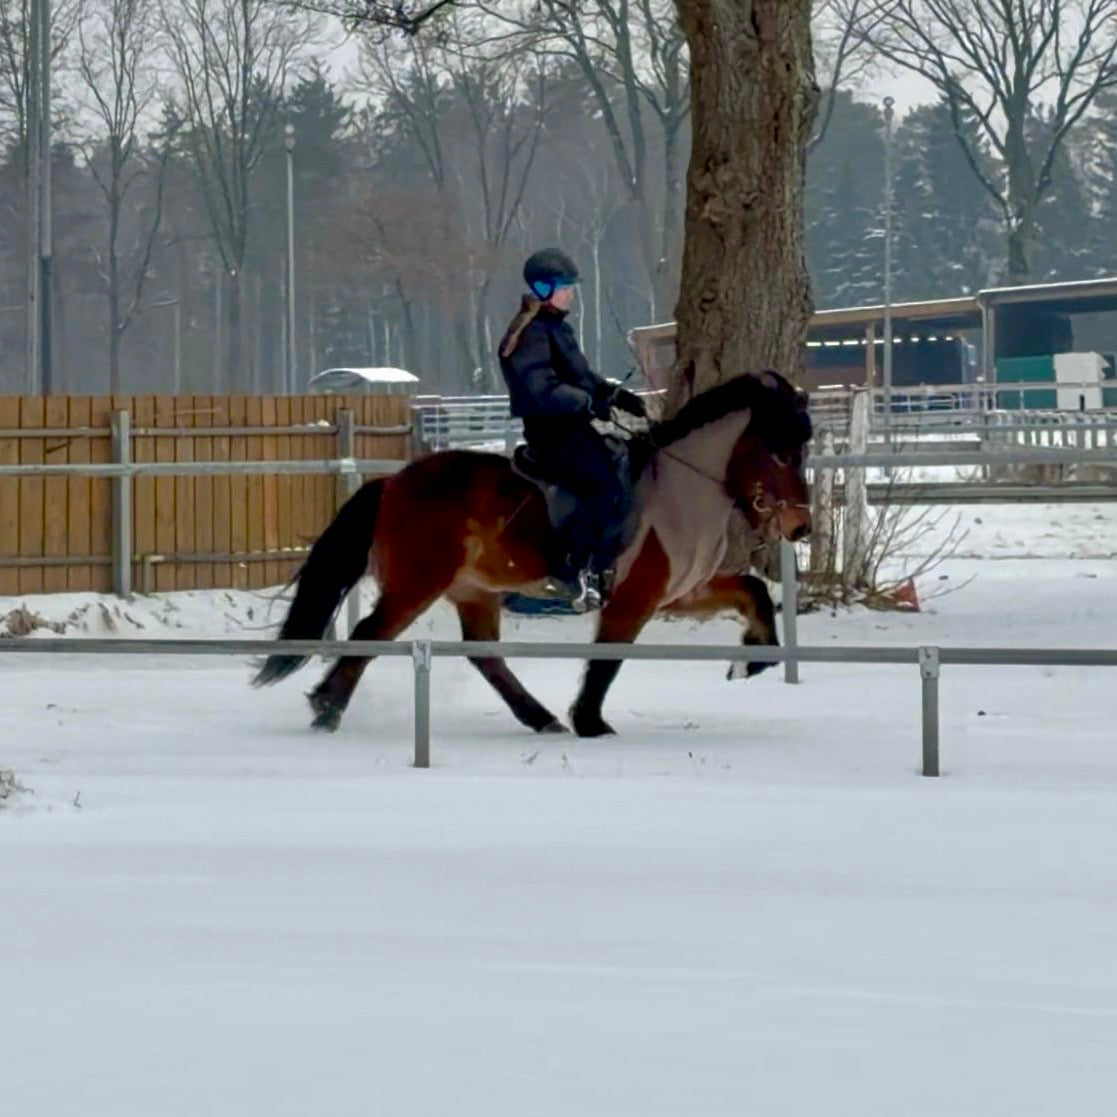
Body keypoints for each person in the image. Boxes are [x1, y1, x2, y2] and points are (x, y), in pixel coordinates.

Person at [498, 247, 647, 612]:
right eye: (565, 287)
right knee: (605, 492)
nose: (571, 293)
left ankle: (606, 569)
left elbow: (579, 377)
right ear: (544, 288)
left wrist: (614, 394)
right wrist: (586, 401)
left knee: (627, 464)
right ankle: (567, 578)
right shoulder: (531, 333)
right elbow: (544, 389)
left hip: (573, 429)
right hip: (551, 434)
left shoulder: (555, 328)